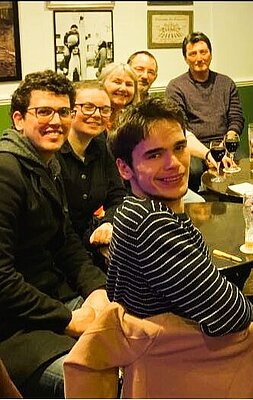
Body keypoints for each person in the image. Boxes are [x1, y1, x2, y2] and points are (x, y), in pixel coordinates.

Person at [107, 96, 253, 335]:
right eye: (155, 155)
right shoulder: (151, 223)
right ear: (124, 168)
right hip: (177, 360)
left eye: (179, 148)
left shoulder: (134, 208)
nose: (174, 163)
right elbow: (230, 312)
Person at [0, 70, 108, 398]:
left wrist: (97, 290)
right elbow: (2, 279)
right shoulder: (7, 172)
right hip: (15, 326)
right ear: (18, 119)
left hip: (54, 299)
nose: (56, 121)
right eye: (43, 111)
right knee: (89, 379)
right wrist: (67, 319)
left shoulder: (48, 164)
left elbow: (67, 244)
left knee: (142, 335)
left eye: (63, 112)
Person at [56, 81, 126, 269]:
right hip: (60, 255)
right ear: (69, 111)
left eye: (104, 109)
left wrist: (108, 223)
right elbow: (60, 225)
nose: (96, 115)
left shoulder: (102, 146)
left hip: (92, 242)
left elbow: (117, 197)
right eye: (88, 108)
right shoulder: (52, 152)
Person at [128, 49, 223, 186]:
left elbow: (182, 134)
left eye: (150, 72)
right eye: (139, 69)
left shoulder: (153, 107)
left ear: (155, 77)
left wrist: (209, 154)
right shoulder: (116, 106)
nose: (145, 76)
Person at [166, 32, 244, 191]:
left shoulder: (226, 83)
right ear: (186, 58)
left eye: (203, 52)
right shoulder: (176, 87)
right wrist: (208, 154)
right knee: (193, 171)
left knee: (243, 164)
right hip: (193, 146)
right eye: (193, 54)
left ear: (211, 54)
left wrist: (227, 145)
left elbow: (236, 118)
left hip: (224, 144)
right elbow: (181, 129)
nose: (199, 58)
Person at [98, 62, 139, 131]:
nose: (123, 88)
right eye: (117, 82)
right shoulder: (91, 117)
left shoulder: (137, 122)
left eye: (129, 84)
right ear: (102, 84)